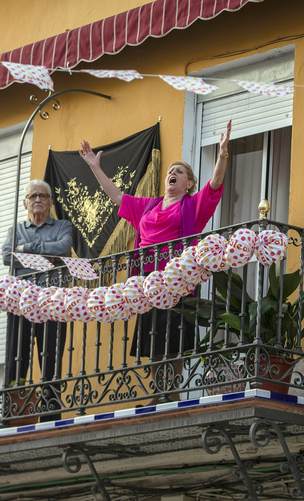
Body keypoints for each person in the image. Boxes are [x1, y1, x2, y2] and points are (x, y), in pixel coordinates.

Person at [79, 121, 232, 404]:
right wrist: (94, 167)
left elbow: (215, 186)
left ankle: (170, 393)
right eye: (171, 171)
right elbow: (116, 195)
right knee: (152, 341)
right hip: (147, 285)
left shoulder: (193, 205)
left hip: (176, 283)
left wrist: (222, 154)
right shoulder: (147, 206)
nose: (173, 173)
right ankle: (159, 392)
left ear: (189, 183)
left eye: (180, 172)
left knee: (173, 341)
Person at [2, 179, 73, 422]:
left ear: (51, 201)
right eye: (33, 196)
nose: (38, 200)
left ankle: (50, 413)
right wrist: (42, 253)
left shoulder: (63, 225)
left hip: (52, 301)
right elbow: (6, 256)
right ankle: (13, 411)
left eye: (43, 195)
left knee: (51, 356)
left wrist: (26, 248)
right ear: (25, 203)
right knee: (16, 356)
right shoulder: (16, 229)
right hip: (20, 301)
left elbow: (63, 248)